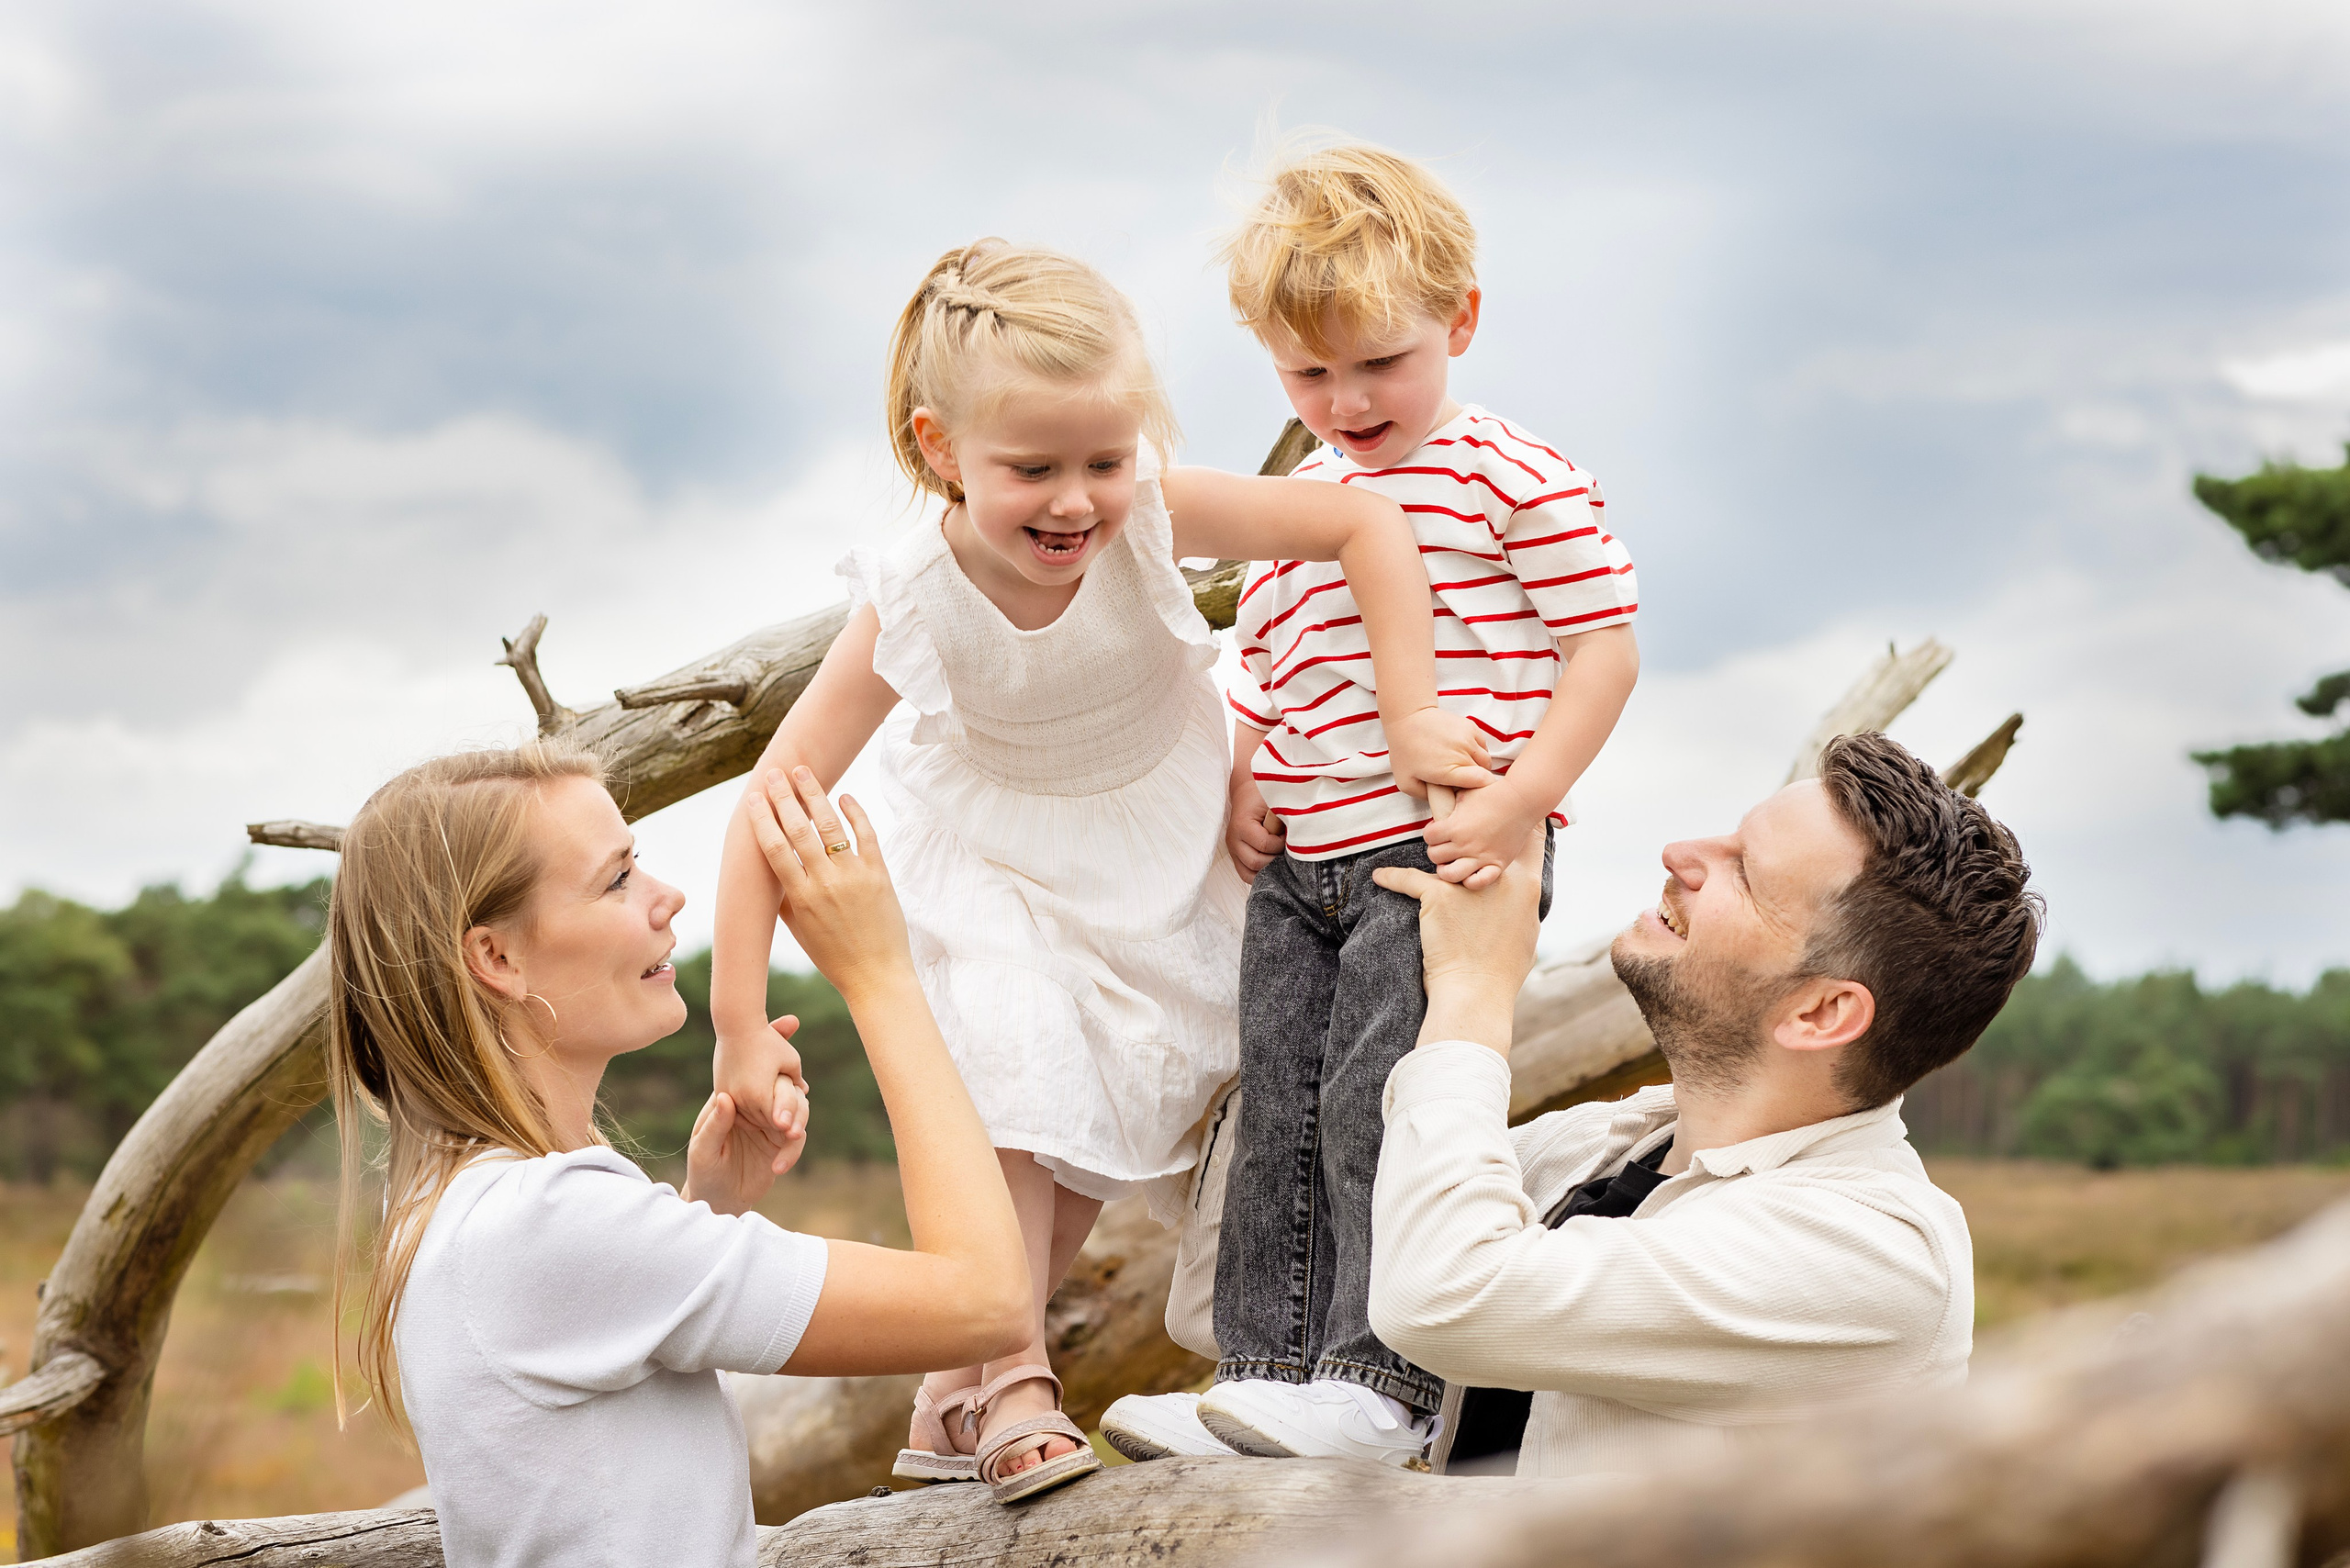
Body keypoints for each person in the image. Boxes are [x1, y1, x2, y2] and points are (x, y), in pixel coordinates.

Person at [700, 239, 1491, 1502]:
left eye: (1105, 464)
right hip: (996, 863)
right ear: (939, 448)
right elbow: (774, 802)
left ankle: (946, 1398)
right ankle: (1011, 1382)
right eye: (1032, 470)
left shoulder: (1157, 516)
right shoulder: (911, 595)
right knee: (1012, 1093)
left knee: (1074, 1159)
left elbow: (1362, 520)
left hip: (1157, 857)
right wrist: (740, 1021)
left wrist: (1407, 714)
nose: (1075, 502)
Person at [1115, 732, 2040, 1474]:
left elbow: (1440, 1297)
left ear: (1822, 1010)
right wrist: (1331, 943)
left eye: (1742, 872)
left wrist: (1474, 991)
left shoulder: (1875, 1259)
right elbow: (1234, 1300)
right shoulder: (1595, 1151)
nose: (1683, 853)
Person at [1156, 139, 1643, 1466]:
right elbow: (1269, 667)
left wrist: (1523, 801)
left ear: (1460, 321)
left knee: (1383, 1099)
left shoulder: (1507, 474)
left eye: (1379, 362)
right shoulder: (1296, 502)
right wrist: (1251, 776)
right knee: (1283, 1109)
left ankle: (1384, 1383)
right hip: (1302, 861)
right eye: (1308, 374)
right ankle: (1266, 1368)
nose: (1347, 399)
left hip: (1441, 847)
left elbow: (1604, 650)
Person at [325, 745, 1032, 1567]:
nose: (669, 897)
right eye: (617, 878)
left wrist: (703, 1216)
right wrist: (878, 974)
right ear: (497, 958)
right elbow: (989, 1303)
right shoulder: (547, 1223)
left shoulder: (445, 1208)